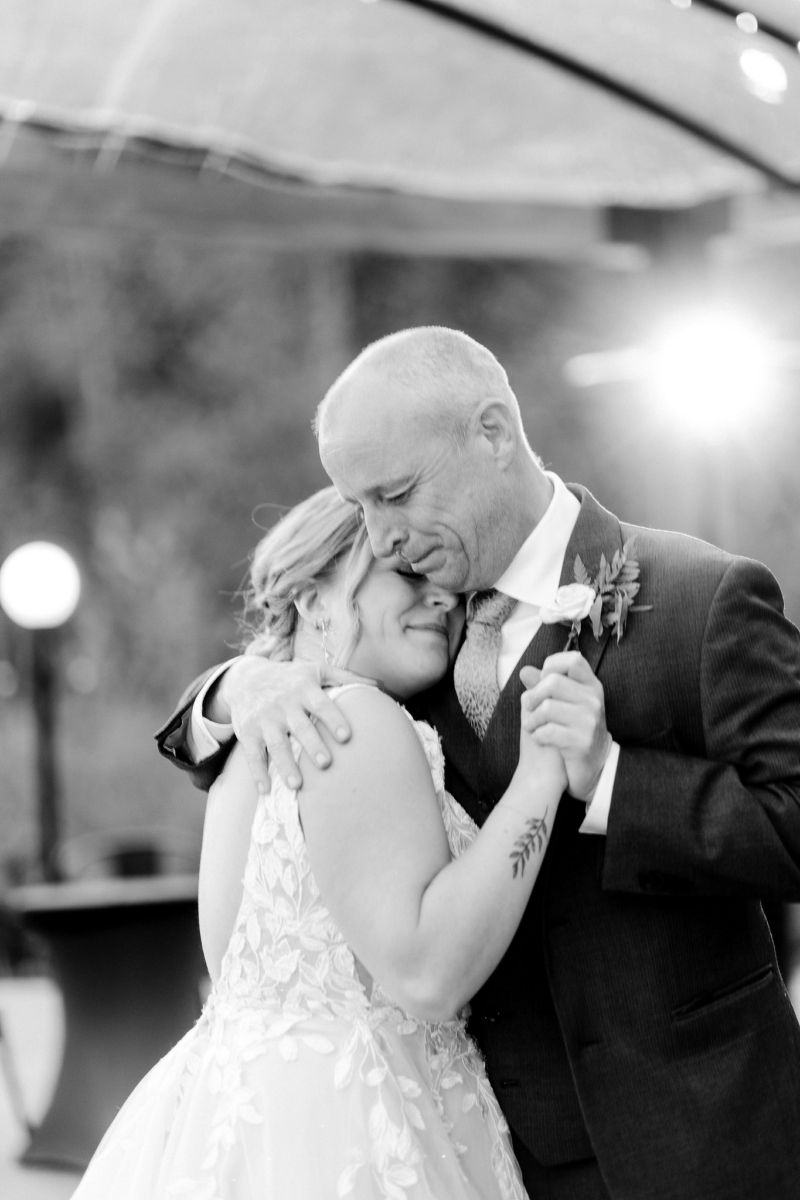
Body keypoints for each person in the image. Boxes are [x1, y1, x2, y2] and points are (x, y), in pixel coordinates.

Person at [159, 326, 800, 1200]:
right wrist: (239, 684)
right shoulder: (411, 639)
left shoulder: (700, 596)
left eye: (395, 495)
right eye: (360, 509)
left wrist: (614, 780)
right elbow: (241, 745)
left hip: (705, 1136)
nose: (383, 538)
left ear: (492, 433)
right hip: (496, 1153)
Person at [75, 485, 571, 1200]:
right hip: (360, 1127)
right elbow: (429, 974)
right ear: (312, 598)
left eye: (451, 585)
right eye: (406, 571)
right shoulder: (354, 722)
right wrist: (542, 772)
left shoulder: (250, 741)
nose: (444, 598)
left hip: (244, 1121)